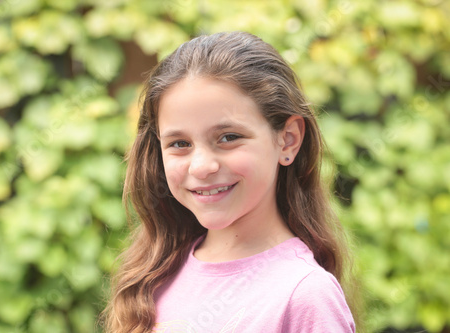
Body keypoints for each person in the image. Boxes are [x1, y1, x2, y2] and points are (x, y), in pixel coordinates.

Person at [101, 31, 357, 332]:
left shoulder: (304, 295)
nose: (202, 166)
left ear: (288, 140)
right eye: (180, 143)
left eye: (229, 138)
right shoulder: (152, 277)